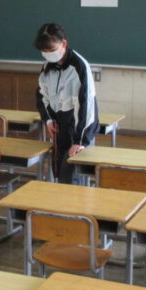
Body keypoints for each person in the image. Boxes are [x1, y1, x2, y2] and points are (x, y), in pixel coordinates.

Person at [34, 22, 98, 184]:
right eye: (44, 51)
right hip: (59, 125)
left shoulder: (79, 67)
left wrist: (79, 140)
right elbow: (42, 94)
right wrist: (48, 120)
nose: (48, 55)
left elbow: (85, 104)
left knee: (71, 176)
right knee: (58, 172)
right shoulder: (47, 66)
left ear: (63, 43)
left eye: (52, 50)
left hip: (78, 127)